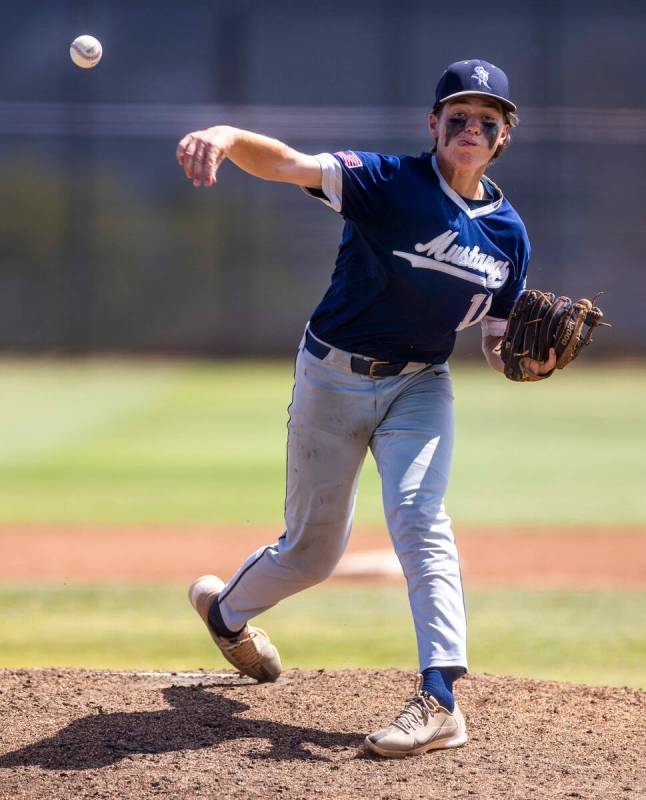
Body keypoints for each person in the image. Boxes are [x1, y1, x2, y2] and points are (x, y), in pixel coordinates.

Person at [177, 58, 555, 759]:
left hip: (421, 384)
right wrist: (226, 135)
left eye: (487, 120)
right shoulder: (387, 182)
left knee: (419, 517)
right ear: (434, 125)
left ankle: (440, 699)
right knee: (312, 553)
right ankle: (226, 614)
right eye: (459, 116)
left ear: (504, 137)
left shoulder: (509, 235)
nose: (472, 127)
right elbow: (289, 163)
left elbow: (498, 337)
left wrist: (521, 360)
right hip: (331, 377)